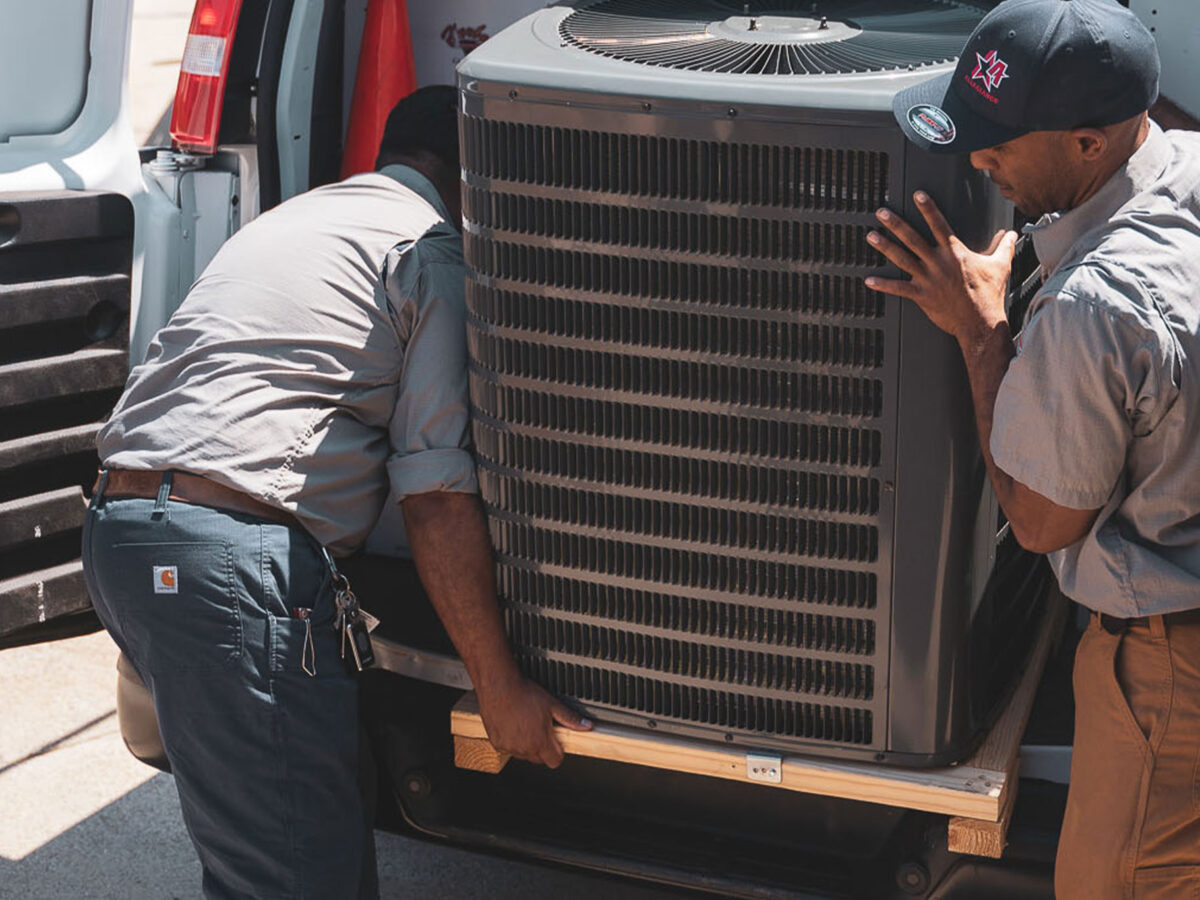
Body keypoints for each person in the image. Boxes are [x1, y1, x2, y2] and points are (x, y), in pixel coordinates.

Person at [81, 85, 591, 900]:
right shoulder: (429, 252)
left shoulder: (298, 217)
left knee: (295, 848)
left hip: (121, 533)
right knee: (293, 876)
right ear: (472, 172)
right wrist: (500, 689)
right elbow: (435, 497)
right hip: (230, 560)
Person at [866, 1, 1200, 897]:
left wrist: (984, 336)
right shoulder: (1191, 164)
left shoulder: (1097, 307)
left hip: (1174, 672)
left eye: (1001, 143)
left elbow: (1044, 521)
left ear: (1091, 144)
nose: (979, 160)